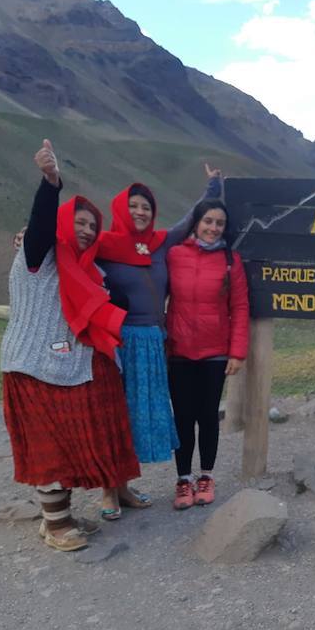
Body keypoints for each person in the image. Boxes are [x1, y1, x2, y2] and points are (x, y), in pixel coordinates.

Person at [0, 140, 140, 550]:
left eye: (92, 226)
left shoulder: (89, 270)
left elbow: (120, 302)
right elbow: (42, 223)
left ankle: (57, 517)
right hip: (33, 365)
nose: (86, 230)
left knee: (70, 442)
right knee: (49, 446)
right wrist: (51, 182)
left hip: (67, 366)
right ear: (64, 222)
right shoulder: (37, 253)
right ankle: (57, 525)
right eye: (79, 222)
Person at [94, 170, 214, 516]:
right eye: (133, 205)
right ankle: (107, 492)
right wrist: (26, 238)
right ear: (120, 208)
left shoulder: (160, 243)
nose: (140, 211)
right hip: (120, 342)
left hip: (154, 343)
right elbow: (71, 250)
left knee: (139, 418)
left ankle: (125, 487)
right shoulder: (104, 244)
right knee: (115, 415)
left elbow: (188, 222)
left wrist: (213, 187)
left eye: (145, 206)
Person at [166, 170, 249, 509]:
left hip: (215, 351)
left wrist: (237, 352)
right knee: (182, 417)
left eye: (219, 223)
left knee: (206, 416)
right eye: (208, 221)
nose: (214, 228)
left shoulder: (232, 262)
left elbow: (240, 307)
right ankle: (183, 480)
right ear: (197, 222)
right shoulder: (174, 255)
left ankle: (206, 476)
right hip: (179, 350)